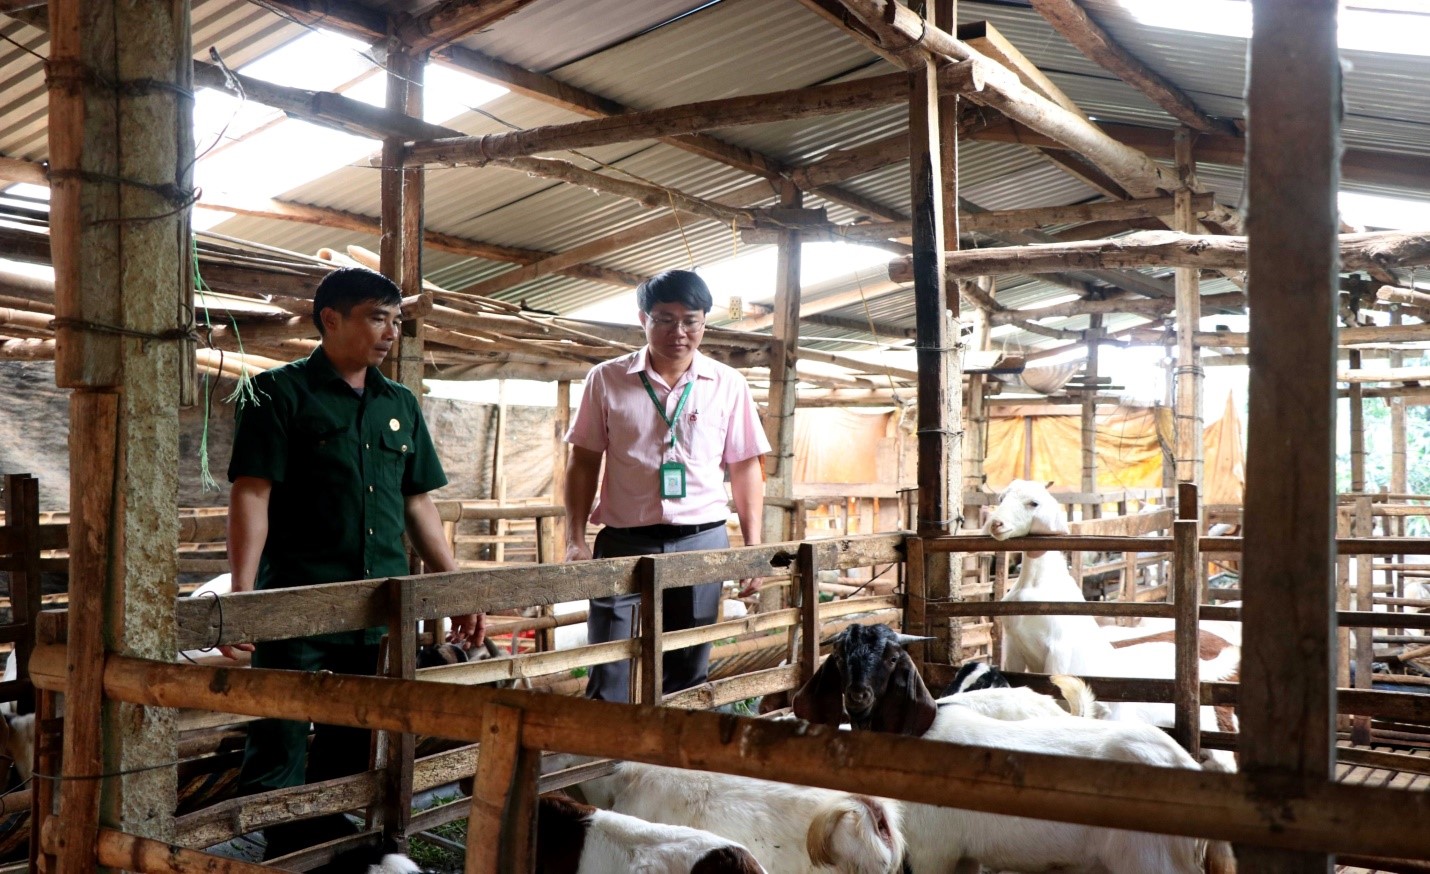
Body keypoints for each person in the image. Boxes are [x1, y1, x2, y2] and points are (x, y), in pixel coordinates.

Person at [223, 267, 482, 860]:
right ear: (331, 319)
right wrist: (242, 593)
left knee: (355, 741)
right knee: (279, 739)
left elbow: (417, 502)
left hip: (377, 607)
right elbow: (252, 492)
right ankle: (278, 855)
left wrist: (456, 586)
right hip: (297, 603)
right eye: (377, 318)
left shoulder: (400, 403)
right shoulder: (275, 392)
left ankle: (337, 854)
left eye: (396, 320)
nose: (390, 332)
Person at [564, 269, 770, 702]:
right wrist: (574, 539)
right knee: (609, 664)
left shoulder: (728, 384)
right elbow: (583, 462)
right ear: (643, 318)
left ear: (705, 321)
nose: (679, 332)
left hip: (702, 541)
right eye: (665, 319)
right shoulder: (606, 378)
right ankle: (609, 743)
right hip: (623, 540)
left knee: (687, 669)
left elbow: (745, 466)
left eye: (690, 321)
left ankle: (672, 744)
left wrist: (753, 547)